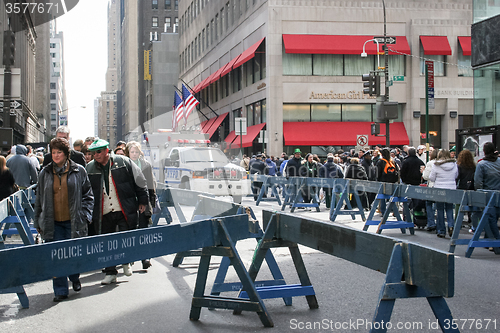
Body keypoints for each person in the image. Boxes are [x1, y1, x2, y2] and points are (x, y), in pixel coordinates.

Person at [33, 137, 94, 302]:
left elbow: (88, 195)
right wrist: (37, 220)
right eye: (53, 152)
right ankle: (60, 290)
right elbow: (39, 199)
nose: (56, 155)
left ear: (67, 154)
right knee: (56, 257)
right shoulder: (45, 173)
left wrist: (86, 215)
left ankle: (74, 277)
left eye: (59, 152)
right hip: (53, 223)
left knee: (73, 255)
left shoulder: (79, 170)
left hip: (74, 221)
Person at [86, 139, 149, 285]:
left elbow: (140, 180)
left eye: (99, 151)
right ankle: (110, 272)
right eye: (93, 152)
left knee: (126, 238)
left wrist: (142, 201)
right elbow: (85, 191)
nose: (96, 155)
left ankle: (127, 261)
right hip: (103, 211)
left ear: (107, 150)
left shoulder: (123, 162)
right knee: (106, 242)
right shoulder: (90, 168)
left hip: (124, 207)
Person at [125, 141, 157, 269]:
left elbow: (150, 184)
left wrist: (151, 203)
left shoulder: (146, 165)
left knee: (144, 231)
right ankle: (131, 258)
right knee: (131, 232)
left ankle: (145, 258)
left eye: (136, 152)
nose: (134, 154)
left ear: (140, 153)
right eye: (132, 152)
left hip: (143, 201)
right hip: (129, 203)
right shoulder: (124, 164)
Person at [474, 142, 500, 250]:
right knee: (493, 218)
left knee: (490, 218)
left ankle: (496, 242)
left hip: (488, 195)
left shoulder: (481, 164)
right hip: (499, 193)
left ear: (484, 151)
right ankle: (488, 241)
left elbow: (478, 183)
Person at [429, 149, 458, 238]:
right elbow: (456, 176)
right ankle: (451, 225)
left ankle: (441, 230)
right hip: (451, 188)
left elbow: (432, 178)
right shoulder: (454, 164)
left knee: (440, 209)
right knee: (449, 208)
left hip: (439, 189)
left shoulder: (436, 165)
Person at [456, 149, 477, 233]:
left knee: (459, 205)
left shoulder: (459, 166)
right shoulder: (473, 166)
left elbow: (457, 177)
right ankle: (471, 222)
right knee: (471, 206)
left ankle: (458, 222)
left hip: (461, 187)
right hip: (471, 188)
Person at [376, 148, 400, 214]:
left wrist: (378, 180)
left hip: (383, 181)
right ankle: (394, 211)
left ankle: (383, 211)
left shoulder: (380, 162)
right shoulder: (392, 162)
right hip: (392, 182)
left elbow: (378, 173)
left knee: (383, 197)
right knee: (392, 197)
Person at [422, 149, 438, 232]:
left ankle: (431, 223)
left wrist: (423, 171)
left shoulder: (430, 163)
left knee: (429, 204)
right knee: (440, 206)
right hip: (442, 187)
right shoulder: (445, 163)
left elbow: (426, 176)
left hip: (432, 186)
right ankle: (440, 225)